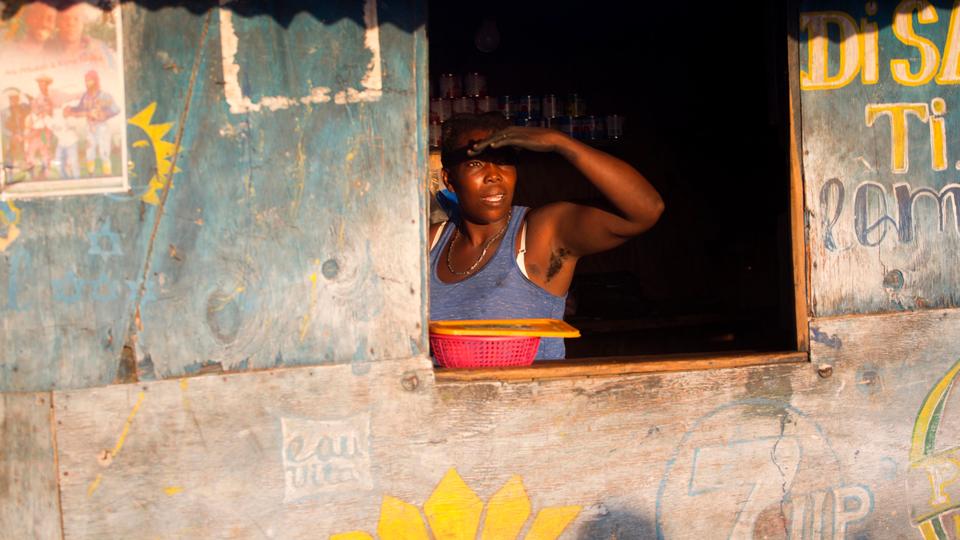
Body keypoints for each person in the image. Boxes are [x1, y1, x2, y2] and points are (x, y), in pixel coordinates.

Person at [429, 113, 664, 360]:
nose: (493, 175)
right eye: (475, 164)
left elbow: (646, 210)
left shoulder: (540, 234)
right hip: (445, 399)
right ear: (449, 180)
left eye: (503, 161)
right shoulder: (431, 244)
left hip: (534, 398)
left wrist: (561, 143)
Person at [64, 70, 118, 176]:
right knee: (89, 152)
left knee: (104, 152)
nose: (87, 83)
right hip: (90, 127)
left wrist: (104, 114)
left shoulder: (104, 95)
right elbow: (80, 108)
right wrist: (71, 109)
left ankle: (107, 175)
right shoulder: (86, 96)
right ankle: (91, 174)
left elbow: (116, 109)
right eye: (86, 81)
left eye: (90, 80)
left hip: (102, 127)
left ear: (96, 81)